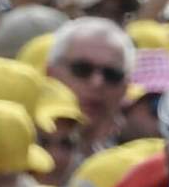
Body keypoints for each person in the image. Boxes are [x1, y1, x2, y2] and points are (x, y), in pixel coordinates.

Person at [46, 17, 136, 155]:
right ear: (50, 73)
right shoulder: (19, 150)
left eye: (111, 74)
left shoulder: (132, 162)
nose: (97, 83)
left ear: (125, 87)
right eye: (82, 69)